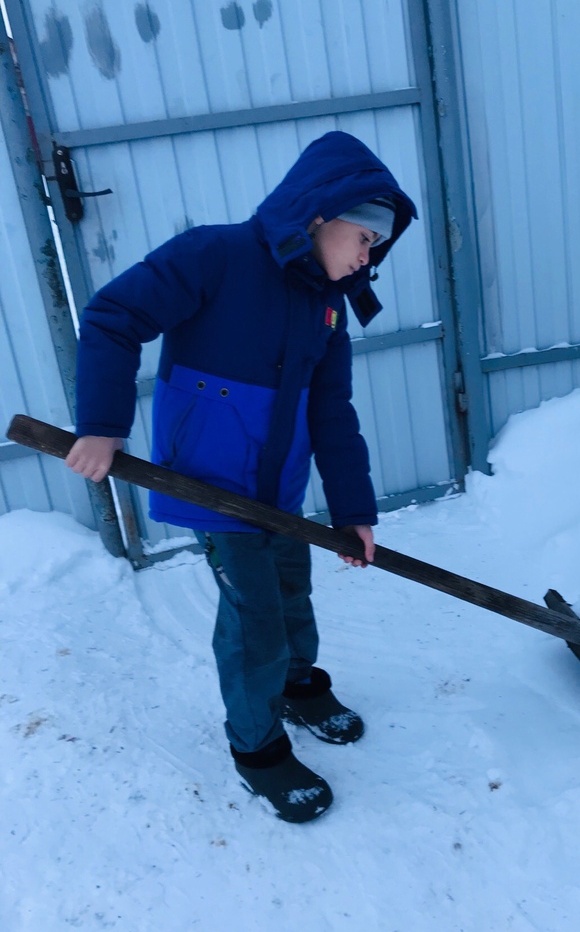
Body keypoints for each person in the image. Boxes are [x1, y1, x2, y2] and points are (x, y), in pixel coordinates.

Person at [66, 130, 417, 823]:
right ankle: (256, 746)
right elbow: (113, 316)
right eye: (363, 238)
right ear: (320, 215)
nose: (368, 256)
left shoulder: (326, 307)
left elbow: (332, 411)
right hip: (212, 487)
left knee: (291, 591)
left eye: (376, 245)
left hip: (278, 491)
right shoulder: (215, 256)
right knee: (254, 615)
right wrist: (103, 424)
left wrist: (352, 510)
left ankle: (297, 685)